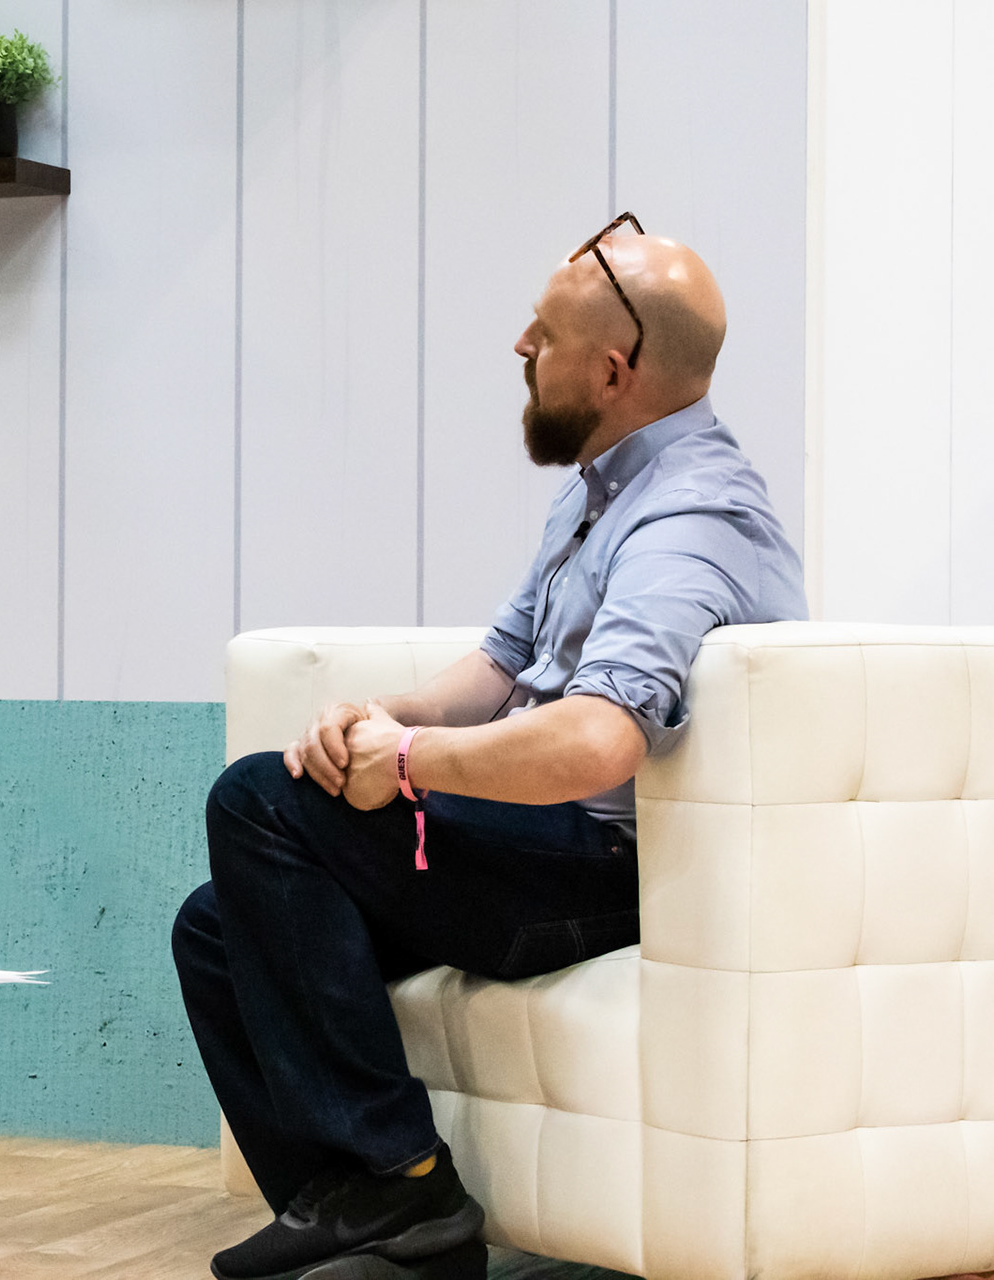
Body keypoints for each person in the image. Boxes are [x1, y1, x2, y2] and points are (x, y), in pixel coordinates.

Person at [173, 220, 808, 1280]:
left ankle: (404, 1183)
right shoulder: (601, 485)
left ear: (614, 367)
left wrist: (408, 761)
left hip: (614, 869)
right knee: (216, 926)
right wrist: (373, 714)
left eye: (545, 332)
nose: (521, 344)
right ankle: (380, 1219)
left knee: (256, 803)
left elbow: (601, 741)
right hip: (549, 845)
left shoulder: (693, 514)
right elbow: (504, 668)